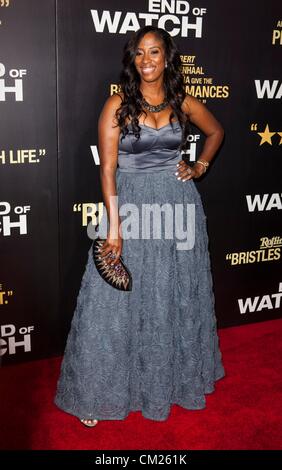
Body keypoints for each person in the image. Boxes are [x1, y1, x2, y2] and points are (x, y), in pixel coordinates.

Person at [54, 26, 225, 427]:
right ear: (132, 60)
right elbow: (109, 168)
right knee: (113, 301)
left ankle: (170, 382)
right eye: (140, 54)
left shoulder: (183, 102)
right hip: (130, 208)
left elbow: (216, 131)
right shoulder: (118, 104)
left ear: (167, 57)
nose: (147, 61)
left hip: (178, 206)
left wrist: (200, 165)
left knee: (171, 294)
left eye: (155, 52)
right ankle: (96, 393)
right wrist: (114, 228)